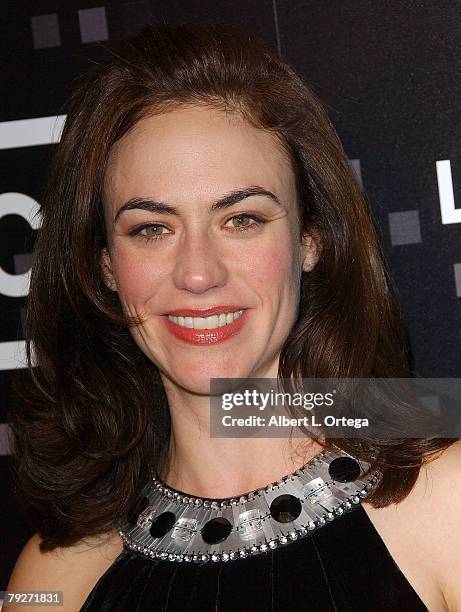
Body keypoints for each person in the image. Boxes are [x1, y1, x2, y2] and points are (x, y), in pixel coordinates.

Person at [5, 22, 461, 612]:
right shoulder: (54, 581)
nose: (198, 273)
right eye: (151, 229)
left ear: (311, 239)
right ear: (106, 268)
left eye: (242, 219)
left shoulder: (445, 508)